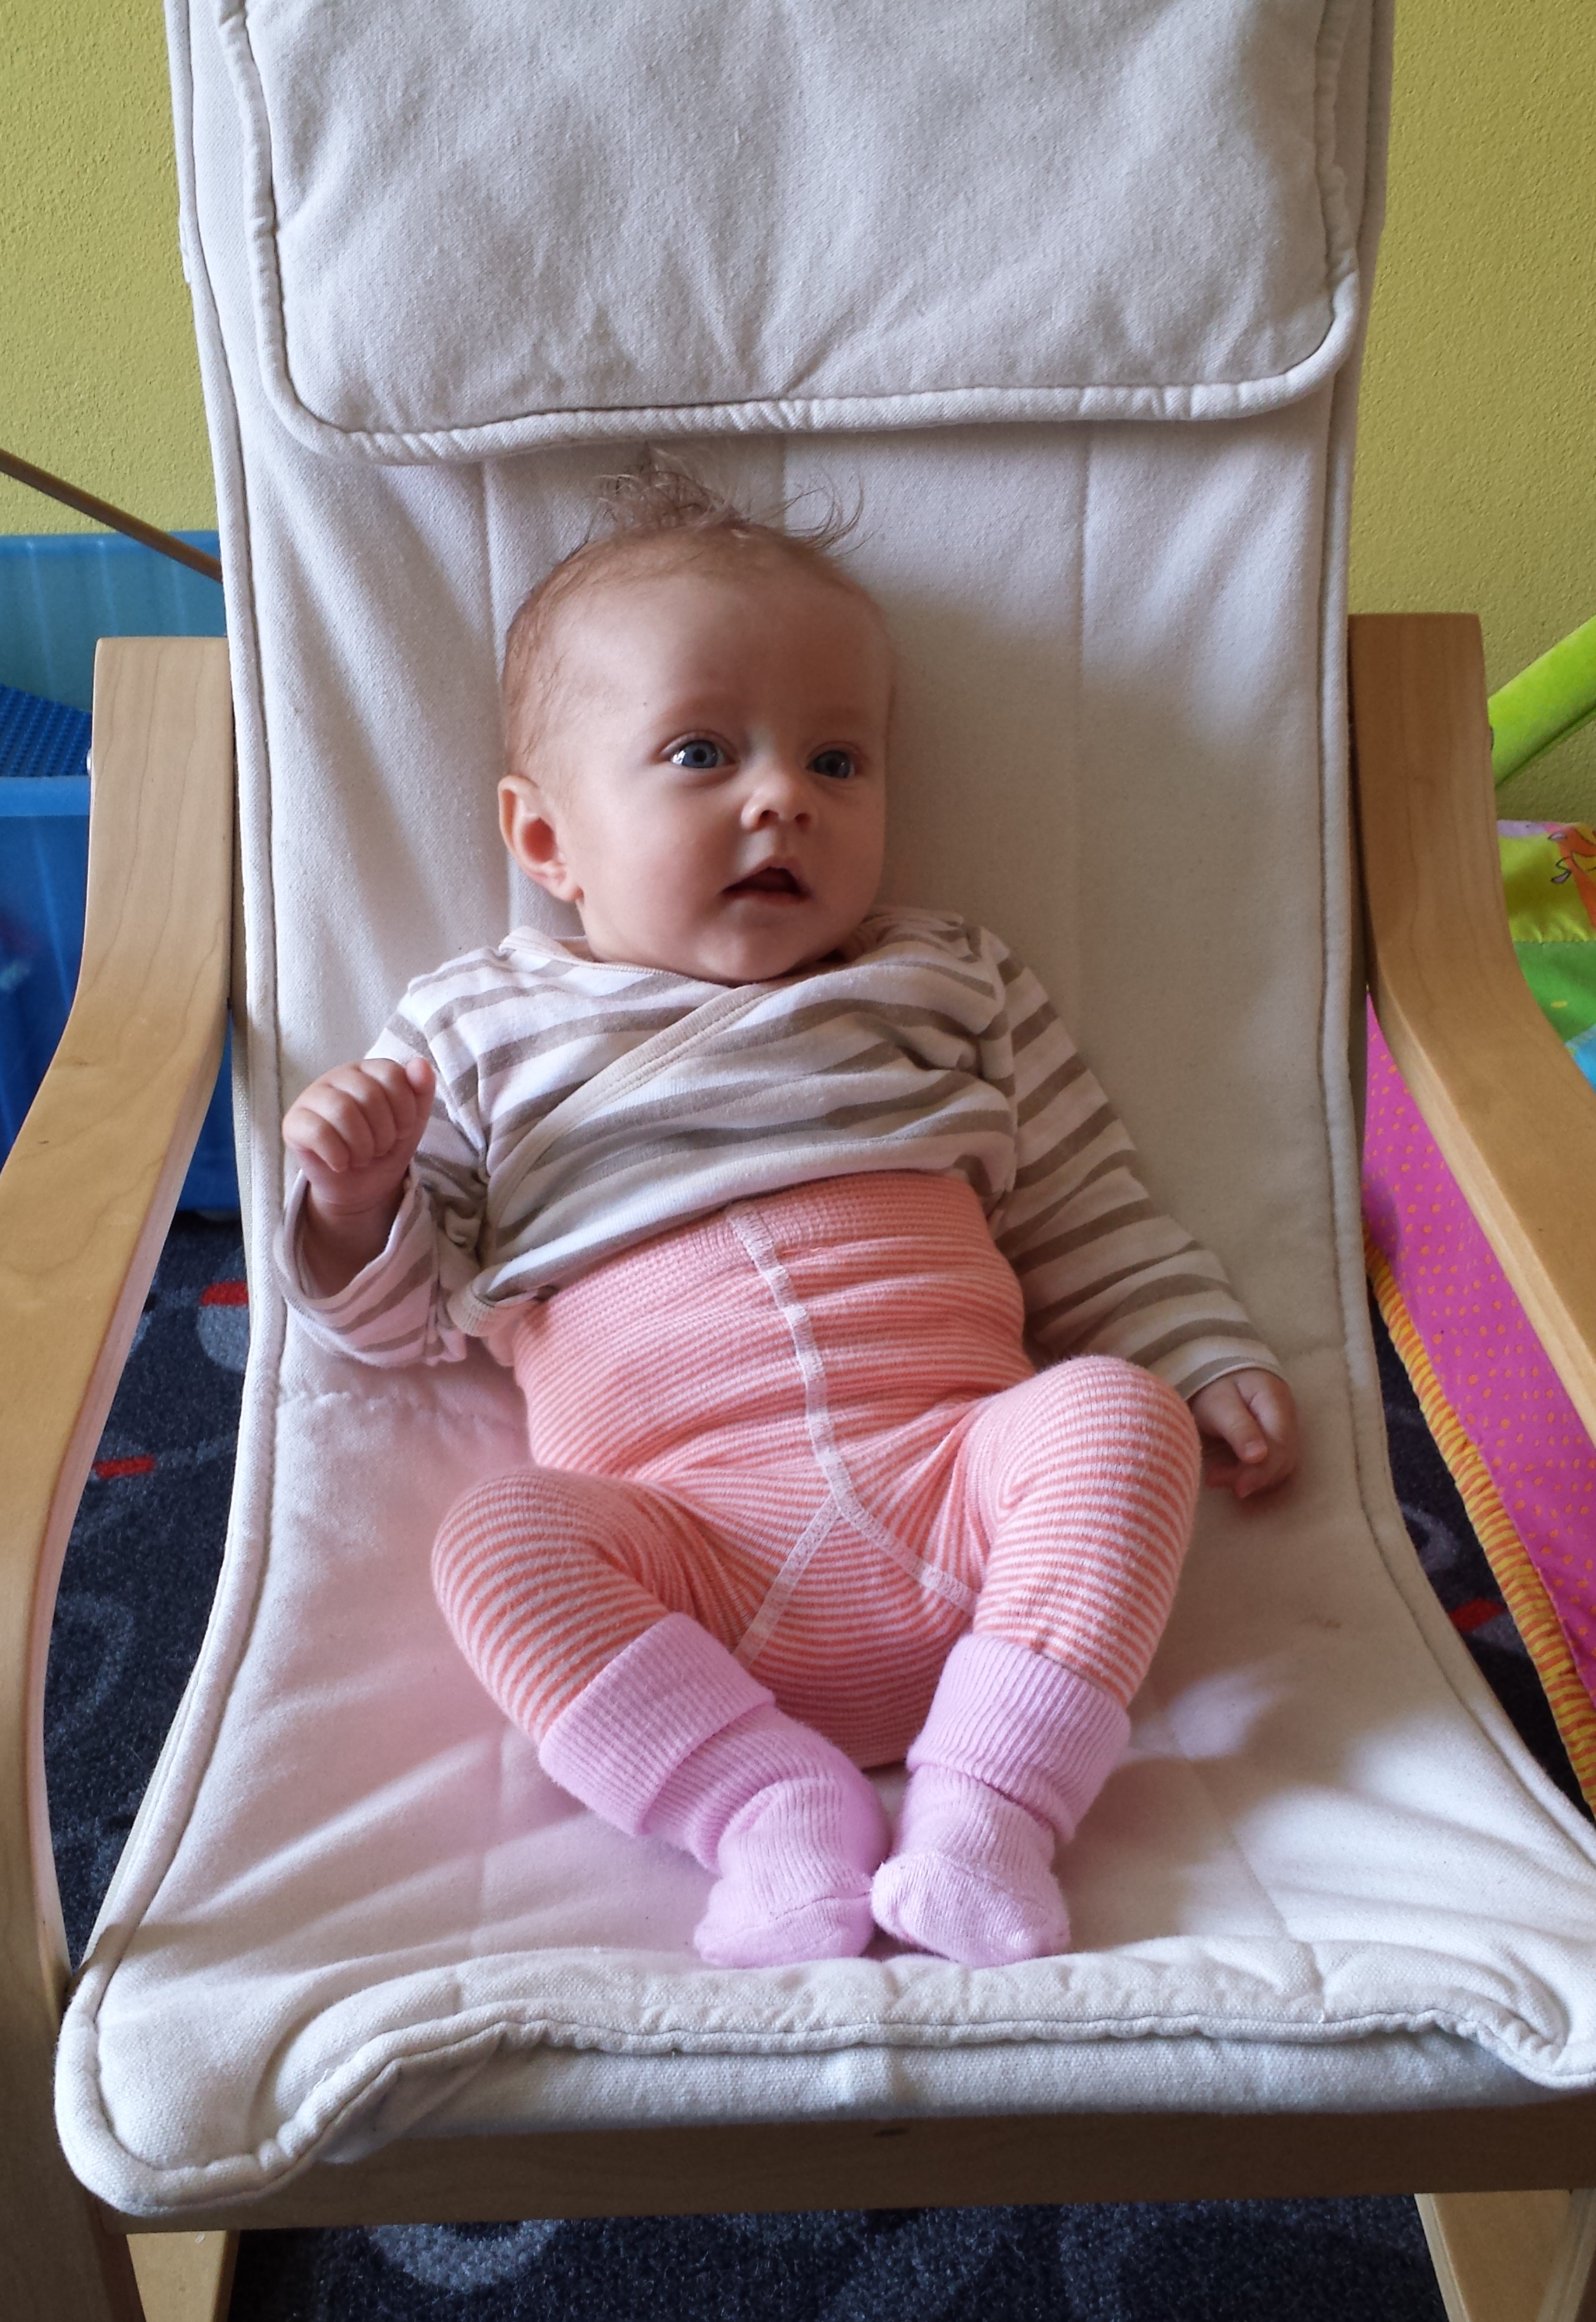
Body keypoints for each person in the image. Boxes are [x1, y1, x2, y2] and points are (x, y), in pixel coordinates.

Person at [277, 466, 1299, 1971]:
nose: (782, 798)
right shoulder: (478, 1029)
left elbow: (1086, 1204)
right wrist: (356, 1202)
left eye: (836, 759)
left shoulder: (943, 981)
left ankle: (989, 1808)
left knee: (1112, 1416)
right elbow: (407, 1322)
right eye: (700, 752)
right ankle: (762, 1808)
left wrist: (1195, 1347)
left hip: (956, 1500)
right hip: (687, 1560)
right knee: (497, 1545)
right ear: (546, 841)